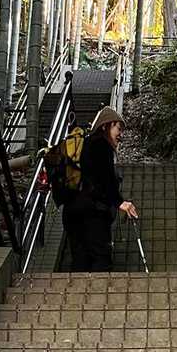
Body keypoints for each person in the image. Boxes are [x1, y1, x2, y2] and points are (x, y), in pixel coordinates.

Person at [62, 105, 139, 272]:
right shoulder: (101, 145)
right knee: (101, 260)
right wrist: (119, 202)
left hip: (72, 211)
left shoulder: (85, 145)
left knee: (80, 260)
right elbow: (106, 178)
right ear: (105, 126)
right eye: (118, 128)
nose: (120, 134)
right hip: (92, 212)